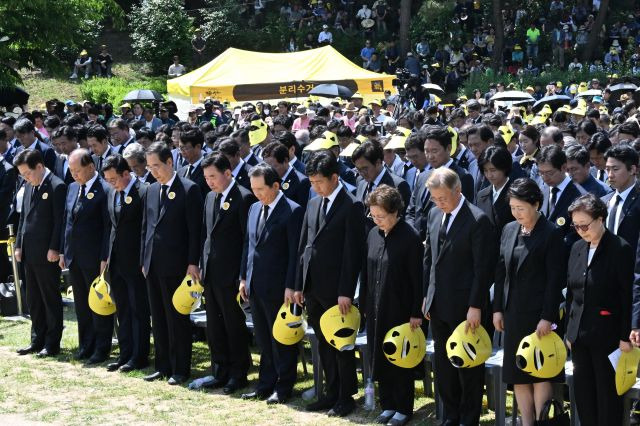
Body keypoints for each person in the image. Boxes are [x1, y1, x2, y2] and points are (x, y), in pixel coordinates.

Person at [294, 150, 366, 417]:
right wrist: (299, 283)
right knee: (322, 343)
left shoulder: (352, 205)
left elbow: (352, 253)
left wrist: (346, 291)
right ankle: (330, 391)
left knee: (342, 344)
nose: (315, 187)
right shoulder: (313, 203)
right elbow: (304, 246)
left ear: (335, 177)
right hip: (313, 286)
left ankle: (346, 396)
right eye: (312, 182)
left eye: (319, 182)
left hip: (337, 290)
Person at [422, 167, 496, 425]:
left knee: (467, 366)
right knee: (443, 365)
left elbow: (482, 269)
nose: (438, 203)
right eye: (434, 198)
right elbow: (430, 259)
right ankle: (450, 416)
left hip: (465, 306)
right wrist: (426, 295)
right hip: (439, 304)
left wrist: (475, 305)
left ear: (458, 191)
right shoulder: (433, 215)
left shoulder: (478, 220)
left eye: (443, 198)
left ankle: (468, 418)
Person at [493, 178, 566, 425]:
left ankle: (542, 422)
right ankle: (526, 422)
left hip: (539, 317)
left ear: (536, 204)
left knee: (539, 371)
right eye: (513, 208)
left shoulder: (551, 233)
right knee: (519, 373)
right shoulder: (509, 229)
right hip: (513, 313)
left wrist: (548, 317)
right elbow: (501, 271)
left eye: (521, 208)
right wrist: (498, 310)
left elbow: (555, 281)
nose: (516, 213)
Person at [566, 194, 633, 425]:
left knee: (607, 397)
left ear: (601, 219)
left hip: (608, 337)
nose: (581, 230)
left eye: (585, 225)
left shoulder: (620, 249)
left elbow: (626, 296)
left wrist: (625, 336)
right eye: (576, 226)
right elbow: (572, 294)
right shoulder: (576, 248)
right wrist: (569, 332)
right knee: (583, 395)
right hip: (579, 336)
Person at [239, 163, 302, 403]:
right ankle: (265, 384)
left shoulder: (292, 211)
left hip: (279, 288)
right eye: (253, 189)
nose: (256, 194)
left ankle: (284, 387)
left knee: (281, 340)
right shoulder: (254, 208)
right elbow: (248, 244)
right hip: (255, 284)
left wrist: (291, 285)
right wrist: (244, 277)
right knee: (264, 339)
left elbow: (295, 253)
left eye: (261, 189)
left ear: (276, 185)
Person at [141, 142, 203, 385]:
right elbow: (146, 227)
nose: (153, 171)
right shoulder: (150, 190)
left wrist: (192, 262)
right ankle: (162, 364)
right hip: (153, 263)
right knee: (157, 316)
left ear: (170, 161)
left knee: (176, 316)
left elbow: (194, 230)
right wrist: (143, 259)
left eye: (156, 165)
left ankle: (180, 367)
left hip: (178, 264)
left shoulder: (189, 189)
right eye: (149, 167)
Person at [360, 185, 423, 426]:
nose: (377, 221)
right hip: (376, 306)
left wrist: (416, 311)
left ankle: (404, 407)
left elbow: (418, 279)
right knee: (380, 355)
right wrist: (364, 302)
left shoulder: (410, 237)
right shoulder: (373, 234)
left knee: (400, 358)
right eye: (373, 216)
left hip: (401, 308)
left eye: (381, 216)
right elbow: (365, 270)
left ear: (395, 211)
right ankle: (387, 404)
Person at [197, 153, 255, 393]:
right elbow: (206, 235)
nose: (210, 182)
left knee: (233, 325)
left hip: (231, 274)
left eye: (213, 176)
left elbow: (246, 240)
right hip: (211, 272)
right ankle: (220, 370)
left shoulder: (243, 197)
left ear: (227, 173)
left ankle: (238, 373)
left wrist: (242, 275)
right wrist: (201, 263)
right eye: (206, 177)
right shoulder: (210, 197)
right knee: (214, 326)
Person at [59, 149, 113, 364]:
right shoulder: (72, 188)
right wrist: (63, 250)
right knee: (81, 304)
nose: (74, 174)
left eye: (78, 170)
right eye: (71, 170)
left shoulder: (105, 189)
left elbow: (108, 228)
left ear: (91, 167)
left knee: (98, 304)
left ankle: (102, 348)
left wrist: (104, 257)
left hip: (95, 258)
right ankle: (86, 345)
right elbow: (67, 221)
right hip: (75, 256)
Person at [13, 149, 66, 357]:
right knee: (33, 298)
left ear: (40, 167)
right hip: (28, 252)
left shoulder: (56, 186)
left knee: (50, 298)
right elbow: (23, 220)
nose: (25, 177)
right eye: (22, 175)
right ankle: (37, 339)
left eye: (27, 173)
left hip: (47, 253)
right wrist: (18, 245)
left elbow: (58, 221)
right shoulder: (28, 186)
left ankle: (52, 343)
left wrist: (55, 247)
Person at [101, 155, 151, 372]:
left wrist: (143, 259)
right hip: (116, 260)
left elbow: (145, 229)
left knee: (138, 309)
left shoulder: (144, 191)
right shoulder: (112, 192)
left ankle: (139, 355)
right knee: (122, 308)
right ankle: (125, 352)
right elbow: (110, 226)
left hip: (135, 261)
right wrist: (106, 257)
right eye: (108, 180)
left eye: (114, 179)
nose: (111, 183)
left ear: (126, 173)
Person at [353, 141, 411, 233]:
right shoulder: (361, 183)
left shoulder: (397, 185)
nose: (362, 173)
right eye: (358, 169)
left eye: (365, 168)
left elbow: (401, 222)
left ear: (378, 162)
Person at [537, 145, 581, 247]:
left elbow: (577, 235)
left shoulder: (579, 195)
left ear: (564, 168)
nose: (545, 177)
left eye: (549, 173)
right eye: (541, 173)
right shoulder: (542, 192)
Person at [602, 145, 640, 255]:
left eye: (615, 169)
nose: (610, 175)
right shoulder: (604, 201)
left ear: (632, 169)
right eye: (607, 169)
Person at [475, 146, 515, 240]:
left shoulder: (517, 194)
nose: (489, 175)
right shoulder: (481, 195)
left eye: (493, 170)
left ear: (504, 168)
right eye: (485, 171)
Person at [261, 141, 310, 209]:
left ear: (285, 161)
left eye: (273, 167)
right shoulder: (269, 179)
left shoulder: (301, 182)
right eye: (266, 167)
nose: (269, 171)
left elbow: (302, 212)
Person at [178, 128, 209, 198]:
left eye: (185, 148)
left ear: (198, 147)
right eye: (180, 148)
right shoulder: (180, 172)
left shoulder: (209, 170)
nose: (181, 152)